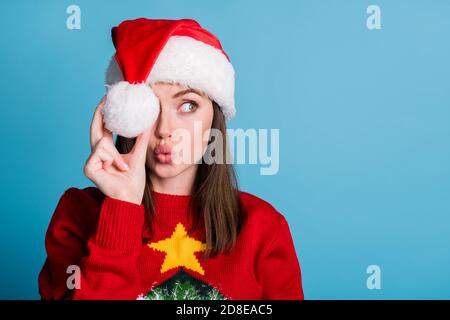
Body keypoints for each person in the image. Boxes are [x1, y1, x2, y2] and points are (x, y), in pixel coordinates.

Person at [38, 18, 304, 300]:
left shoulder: (263, 228)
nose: (165, 129)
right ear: (126, 117)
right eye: (149, 107)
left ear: (214, 117)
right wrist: (121, 207)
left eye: (188, 105)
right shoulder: (78, 215)